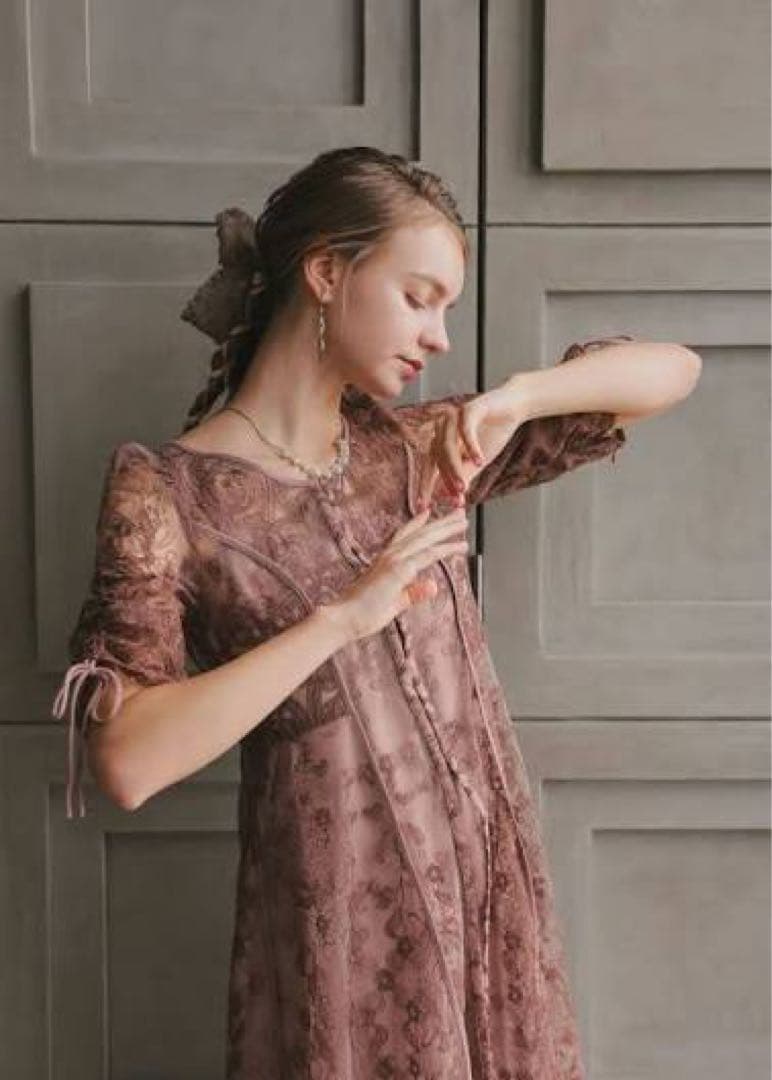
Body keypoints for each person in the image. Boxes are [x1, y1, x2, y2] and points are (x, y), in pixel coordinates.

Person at [51, 146, 632, 1078]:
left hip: (488, 897)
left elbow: (667, 374)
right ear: (326, 272)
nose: (440, 336)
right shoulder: (167, 493)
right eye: (420, 298)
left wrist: (519, 396)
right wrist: (339, 619)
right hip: (342, 921)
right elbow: (126, 762)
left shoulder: (419, 449)